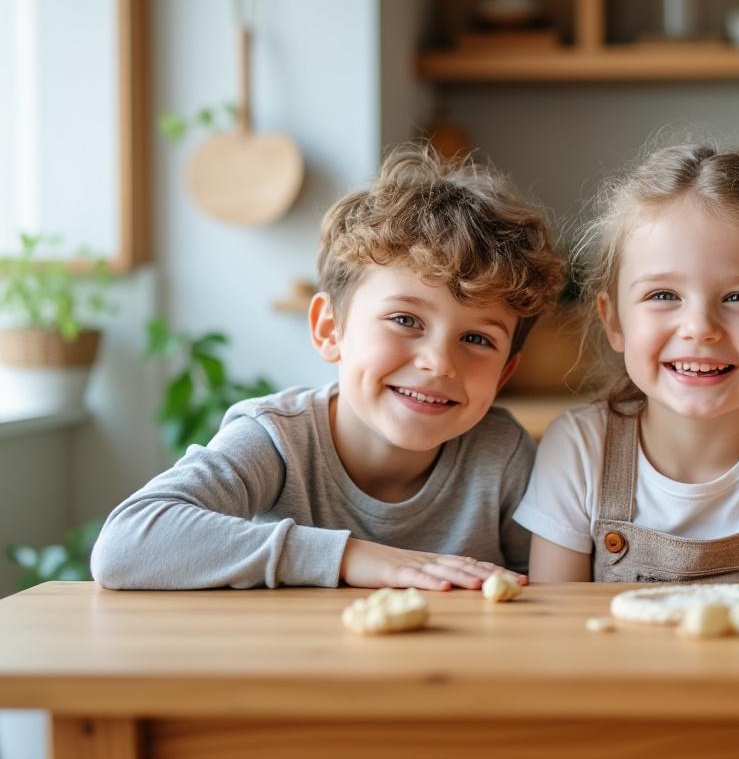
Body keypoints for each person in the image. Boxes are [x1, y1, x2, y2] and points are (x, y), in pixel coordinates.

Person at [91, 145, 565, 590]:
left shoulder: (501, 455)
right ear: (329, 329)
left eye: (477, 339)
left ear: (504, 373)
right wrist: (355, 558)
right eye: (405, 320)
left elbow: (542, 599)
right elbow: (125, 544)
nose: (439, 362)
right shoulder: (278, 441)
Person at [515, 121, 739, 583]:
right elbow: (555, 630)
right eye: (663, 295)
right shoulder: (579, 451)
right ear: (614, 318)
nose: (699, 329)